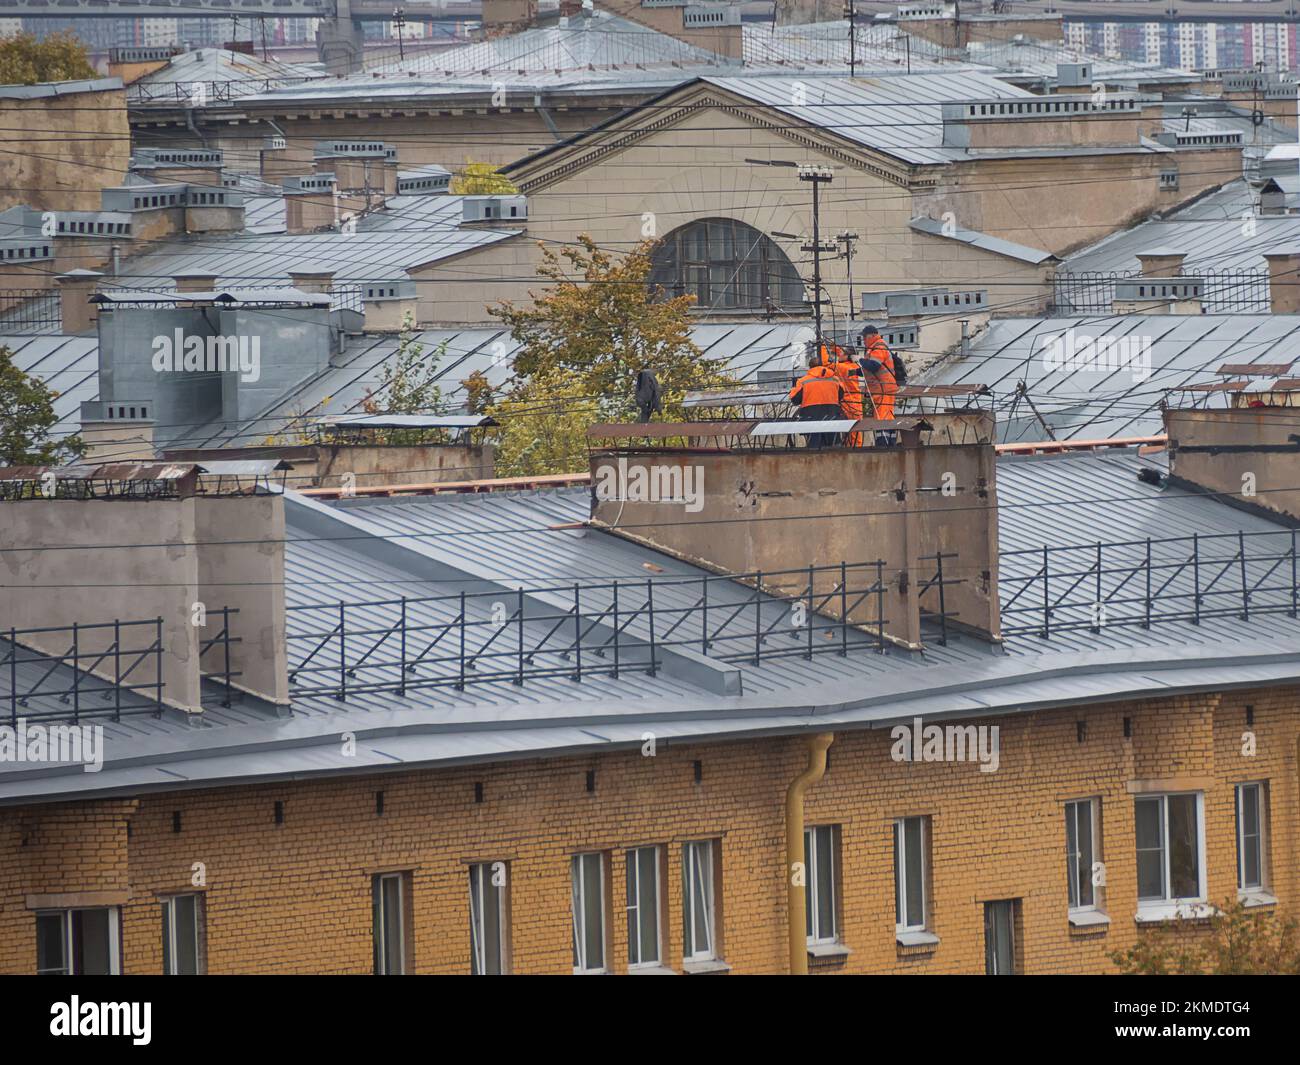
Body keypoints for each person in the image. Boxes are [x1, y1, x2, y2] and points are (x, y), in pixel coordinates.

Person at [787, 349, 845, 448]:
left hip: (811, 419)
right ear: (823, 366)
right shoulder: (835, 379)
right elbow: (841, 395)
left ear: (810, 367)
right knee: (834, 447)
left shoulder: (803, 381)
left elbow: (795, 400)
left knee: (814, 449)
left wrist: (793, 390)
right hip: (832, 417)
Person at [859, 325, 898, 445]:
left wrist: (859, 360)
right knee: (886, 416)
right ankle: (888, 441)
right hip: (882, 389)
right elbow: (868, 369)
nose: (864, 340)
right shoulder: (873, 348)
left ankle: (884, 443)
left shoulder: (879, 346)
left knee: (883, 418)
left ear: (872, 335)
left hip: (883, 389)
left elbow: (874, 366)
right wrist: (853, 372)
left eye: (865, 337)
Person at [825, 345, 864, 447]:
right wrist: (832, 346)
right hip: (854, 400)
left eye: (840, 354)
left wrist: (822, 348)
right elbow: (842, 354)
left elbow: (826, 364)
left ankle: (854, 449)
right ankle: (853, 447)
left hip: (849, 401)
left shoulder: (842, 367)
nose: (838, 355)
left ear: (847, 356)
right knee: (854, 428)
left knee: (852, 428)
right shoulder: (853, 366)